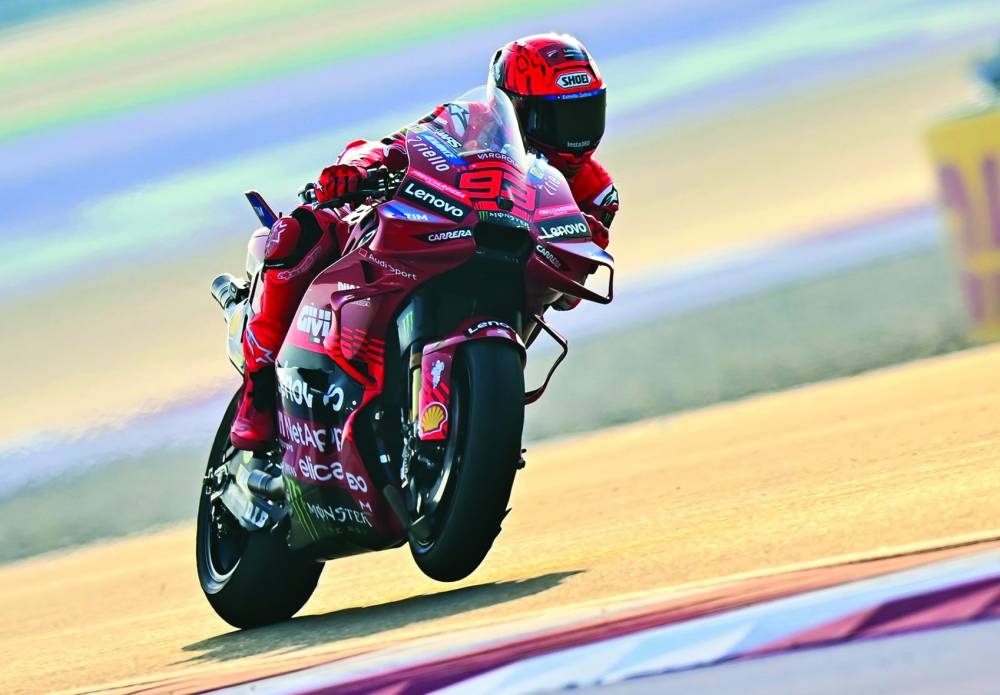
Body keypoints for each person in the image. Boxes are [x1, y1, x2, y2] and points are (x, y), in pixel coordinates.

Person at [231, 33, 621, 451]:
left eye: (585, 114)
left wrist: (575, 256)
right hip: (437, 237)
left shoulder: (597, 193)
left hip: (509, 289)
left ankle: (472, 416)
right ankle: (259, 390)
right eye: (559, 118)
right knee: (298, 234)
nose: (575, 136)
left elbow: (567, 296)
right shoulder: (469, 120)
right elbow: (393, 146)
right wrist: (354, 170)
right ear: (517, 108)